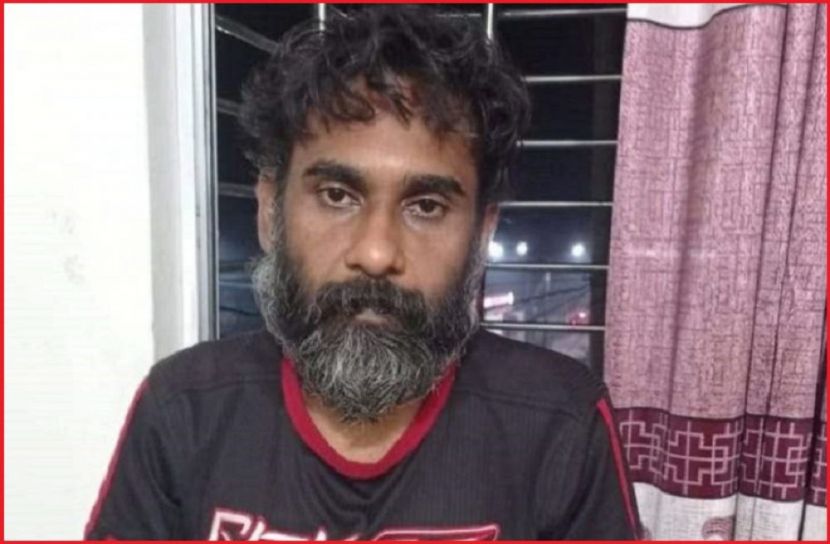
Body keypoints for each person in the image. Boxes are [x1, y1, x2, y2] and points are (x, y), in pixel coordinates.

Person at [85, 5, 640, 540]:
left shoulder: (559, 425)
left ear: (481, 233)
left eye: (426, 206)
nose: (376, 254)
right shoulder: (183, 410)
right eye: (336, 195)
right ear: (270, 212)